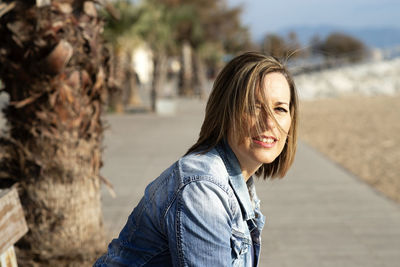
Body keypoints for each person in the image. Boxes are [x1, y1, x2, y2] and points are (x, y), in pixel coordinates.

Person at [94, 51, 298, 266]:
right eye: (253, 107)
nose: (269, 122)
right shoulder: (203, 187)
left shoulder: (236, 182)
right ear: (225, 112)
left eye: (280, 109)